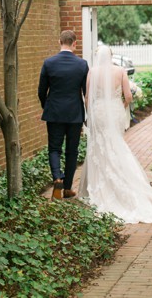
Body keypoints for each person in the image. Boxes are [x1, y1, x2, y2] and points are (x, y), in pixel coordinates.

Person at [78, 44, 152, 223]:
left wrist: (91, 112)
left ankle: (98, 187)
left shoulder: (92, 71)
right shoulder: (120, 70)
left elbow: (87, 98)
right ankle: (124, 183)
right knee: (116, 143)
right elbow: (128, 96)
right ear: (111, 56)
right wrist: (119, 107)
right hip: (114, 110)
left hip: (98, 111)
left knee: (99, 145)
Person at [38, 29, 89, 199]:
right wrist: (86, 113)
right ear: (75, 44)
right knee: (72, 151)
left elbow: (41, 91)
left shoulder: (48, 63)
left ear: (59, 42)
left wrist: (48, 107)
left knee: (54, 148)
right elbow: (85, 92)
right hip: (75, 114)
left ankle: (57, 178)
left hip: (54, 113)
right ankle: (67, 188)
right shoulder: (82, 65)